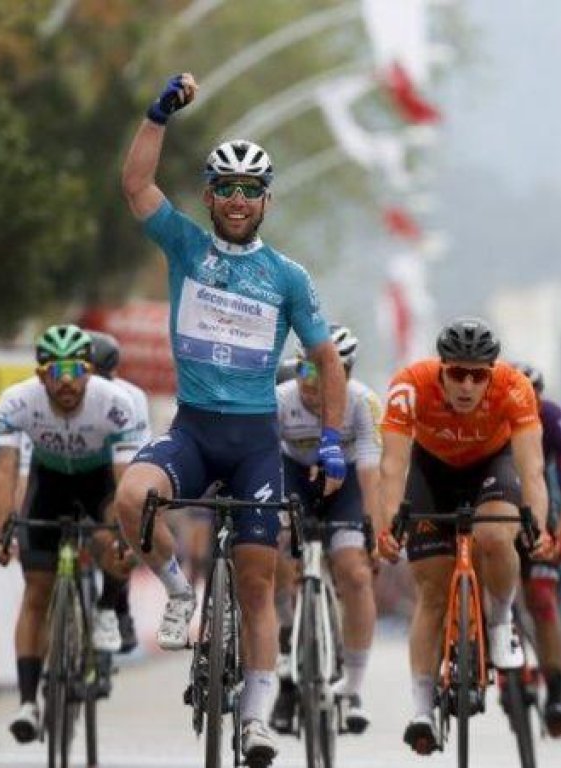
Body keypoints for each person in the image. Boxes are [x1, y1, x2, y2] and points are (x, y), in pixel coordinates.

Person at [116, 71, 347, 764]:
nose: (238, 200)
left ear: (267, 199)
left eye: (251, 189)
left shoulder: (288, 277)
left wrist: (332, 442)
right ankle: (177, 592)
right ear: (210, 195)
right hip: (192, 430)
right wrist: (157, 116)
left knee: (256, 579)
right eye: (226, 188)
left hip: (253, 443)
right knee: (131, 498)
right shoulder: (187, 246)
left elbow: (326, 361)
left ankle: (256, 719)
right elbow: (136, 186)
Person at [374, 317, 552, 755]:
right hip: (431, 473)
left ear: (492, 373)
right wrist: (389, 524)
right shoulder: (410, 385)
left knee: (495, 536)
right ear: (441, 369)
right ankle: (422, 709)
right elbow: (392, 466)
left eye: (478, 376)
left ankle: (502, 621)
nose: (467, 385)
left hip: (491, 468)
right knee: (432, 594)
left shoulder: (514, 388)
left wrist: (539, 525)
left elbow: (531, 469)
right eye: (457, 373)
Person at [0, 324, 146, 742]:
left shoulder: (116, 403)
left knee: (115, 541)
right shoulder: (18, 400)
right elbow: (2, 471)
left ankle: (108, 608)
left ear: (89, 371)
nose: (67, 382)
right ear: (42, 376)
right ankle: (27, 703)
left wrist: (125, 535)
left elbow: (125, 478)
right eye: (57, 372)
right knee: (36, 591)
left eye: (76, 370)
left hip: (99, 481)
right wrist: (1, 531)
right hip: (49, 483)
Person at [269, 325, 380, 736]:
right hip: (293, 477)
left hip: (344, 484)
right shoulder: (280, 401)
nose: (313, 382)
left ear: (346, 374)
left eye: (327, 372)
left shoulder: (363, 403)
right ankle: (287, 647)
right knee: (273, 551)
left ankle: (352, 688)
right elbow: (263, 463)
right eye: (305, 370)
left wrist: (374, 530)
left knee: (354, 572)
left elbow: (370, 471)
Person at [509, 361, 561, 735]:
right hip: (492, 507)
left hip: (537, 511)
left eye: (533, 398)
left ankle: (556, 691)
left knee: (542, 598)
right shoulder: (488, 414)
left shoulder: (558, 421)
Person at [85, 329, 151, 652]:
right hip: (72, 466)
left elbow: (138, 457)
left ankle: (116, 605)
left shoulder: (131, 398)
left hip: (116, 467)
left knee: (117, 534)